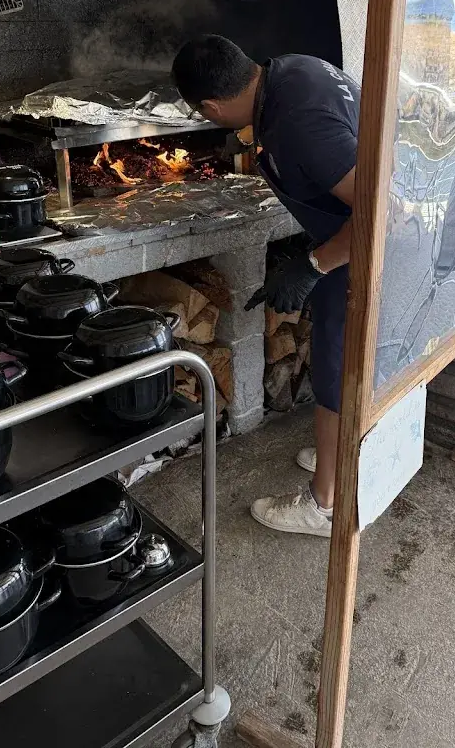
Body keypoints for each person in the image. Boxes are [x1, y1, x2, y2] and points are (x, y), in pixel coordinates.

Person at [172, 35, 359, 537]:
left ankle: (325, 506)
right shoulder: (294, 68)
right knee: (341, 360)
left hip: (372, 247)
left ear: (212, 107)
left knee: (340, 369)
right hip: (350, 238)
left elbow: (382, 212)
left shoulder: (297, 124)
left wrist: (315, 264)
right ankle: (343, 456)